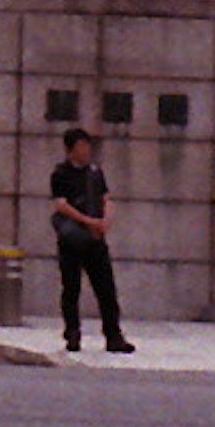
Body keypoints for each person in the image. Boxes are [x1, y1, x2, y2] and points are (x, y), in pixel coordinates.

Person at [45, 126, 134, 355]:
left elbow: (106, 198)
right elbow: (61, 205)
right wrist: (89, 221)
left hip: (96, 239)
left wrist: (105, 220)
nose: (85, 151)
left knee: (106, 289)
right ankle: (72, 334)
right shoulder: (60, 174)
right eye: (81, 147)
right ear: (69, 150)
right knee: (71, 288)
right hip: (72, 240)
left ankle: (113, 335)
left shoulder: (95, 172)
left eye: (87, 146)